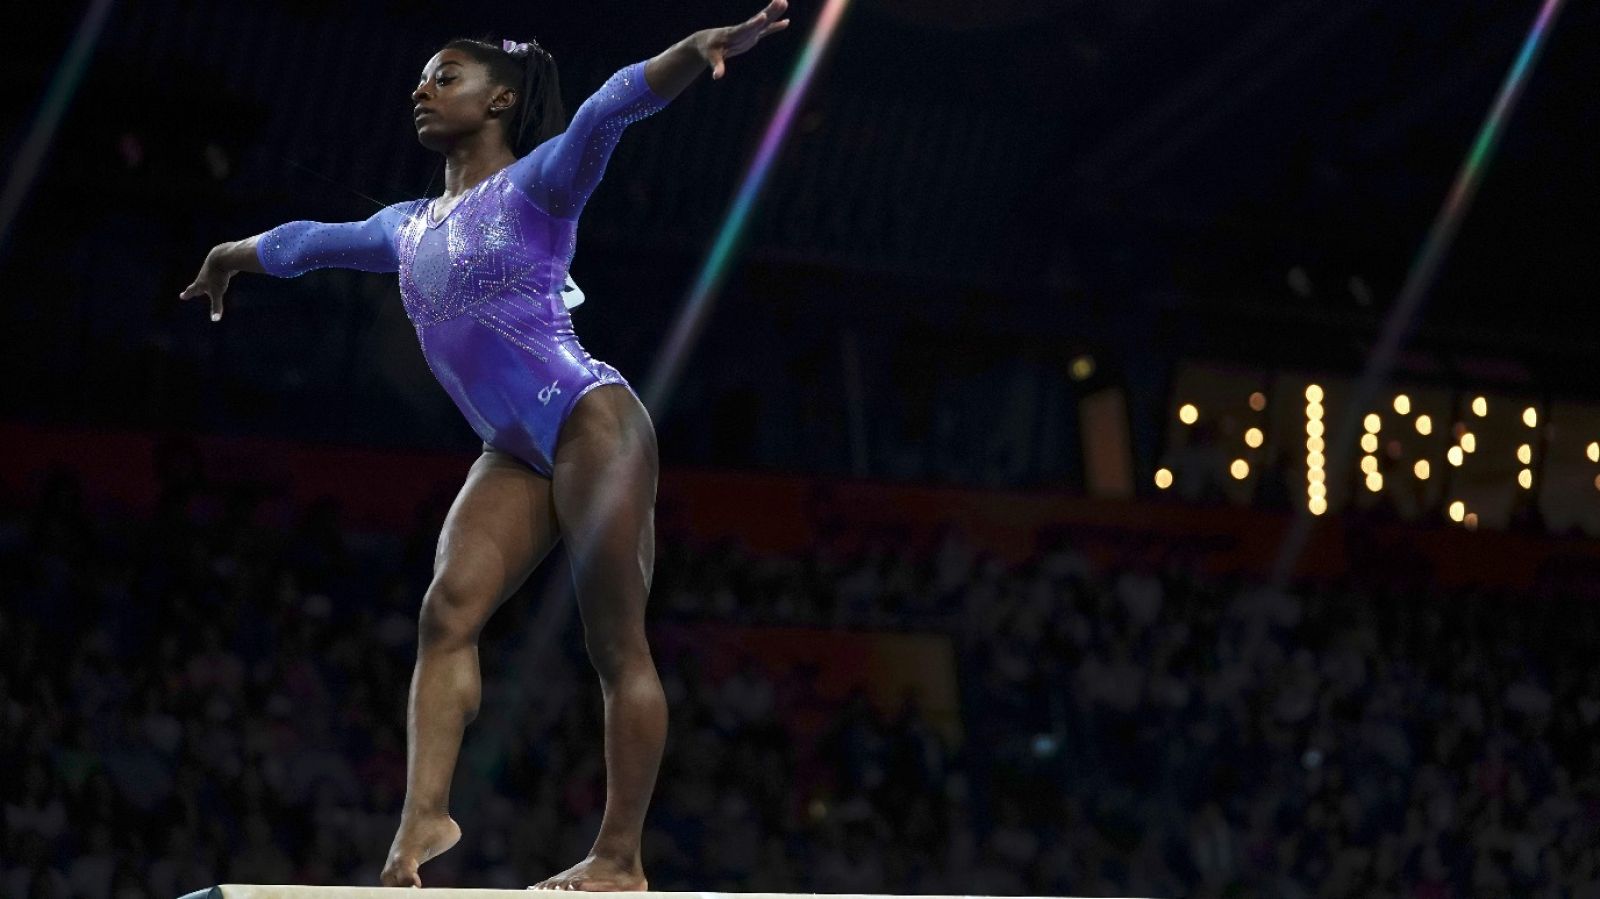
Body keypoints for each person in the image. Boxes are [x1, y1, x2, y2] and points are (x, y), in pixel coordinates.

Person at [179, 3, 791, 889]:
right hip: (511, 448)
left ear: (501, 98)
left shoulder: (539, 186)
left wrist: (693, 52)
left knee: (615, 643)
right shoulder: (407, 225)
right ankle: (423, 819)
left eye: (446, 76)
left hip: (590, 419)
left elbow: (608, 110)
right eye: (421, 77)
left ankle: (619, 857)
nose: (422, 89)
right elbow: (310, 243)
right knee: (446, 610)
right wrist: (230, 254)